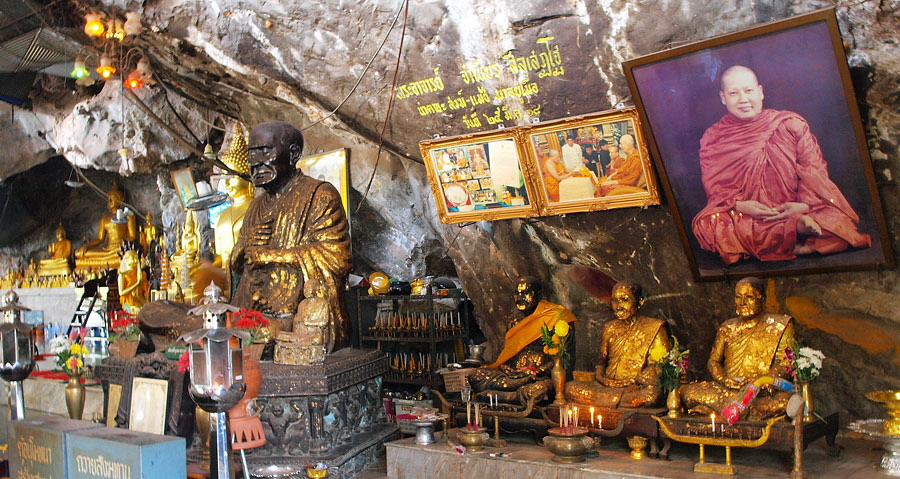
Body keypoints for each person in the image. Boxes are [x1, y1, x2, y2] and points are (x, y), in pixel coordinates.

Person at [691, 65, 871, 265]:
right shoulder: (714, 137)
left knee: (837, 218)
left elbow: (814, 171)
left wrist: (803, 205)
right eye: (734, 93)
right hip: (747, 216)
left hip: (797, 207)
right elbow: (715, 188)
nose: (743, 99)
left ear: (760, 92)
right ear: (723, 98)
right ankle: (797, 239)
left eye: (748, 91)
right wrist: (740, 206)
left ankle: (791, 229)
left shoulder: (791, 124)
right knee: (710, 224)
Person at [231, 121, 352, 352]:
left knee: (267, 336)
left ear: (293, 154)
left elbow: (337, 257)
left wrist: (272, 256)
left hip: (295, 314)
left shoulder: (319, 195)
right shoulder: (255, 206)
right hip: (251, 311)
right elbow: (238, 264)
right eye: (252, 153)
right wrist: (244, 248)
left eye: (265, 150)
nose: (256, 162)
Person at [680, 277, 794, 419]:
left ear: (762, 299)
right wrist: (723, 379)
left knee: (785, 401)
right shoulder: (727, 327)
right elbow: (713, 361)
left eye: (749, 297)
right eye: (738, 297)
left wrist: (762, 380)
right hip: (727, 389)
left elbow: (786, 363)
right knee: (688, 392)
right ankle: (741, 412)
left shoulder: (780, 325)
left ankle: (717, 411)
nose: (742, 303)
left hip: (758, 392)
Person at [468, 276, 577, 405]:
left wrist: (535, 371)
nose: (520, 298)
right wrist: (506, 368)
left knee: (537, 390)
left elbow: (564, 360)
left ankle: (499, 396)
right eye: (516, 293)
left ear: (539, 294)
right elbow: (508, 354)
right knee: (475, 375)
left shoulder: (556, 316)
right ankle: (514, 393)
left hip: (539, 378)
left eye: (525, 293)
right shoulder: (514, 320)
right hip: (513, 377)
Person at [565, 282, 671, 408]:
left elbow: (659, 367)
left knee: (650, 396)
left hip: (635, 388)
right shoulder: (609, 328)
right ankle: (617, 402)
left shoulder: (655, 327)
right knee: (569, 388)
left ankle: (608, 402)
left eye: (624, 300)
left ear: (640, 301)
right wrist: (603, 380)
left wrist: (633, 381)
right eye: (615, 301)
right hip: (606, 387)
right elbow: (601, 363)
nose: (618, 307)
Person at [215, 123, 254, 274]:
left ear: (248, 178)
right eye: (225, 177)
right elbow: (220, 258)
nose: (227, 183)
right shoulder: (220, 217)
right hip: (226, 280)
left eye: (232, 177)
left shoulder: (258, 211)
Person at [75, 184, 138, 271]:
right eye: (109, 199)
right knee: (80, 253)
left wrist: (122, 246)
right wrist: (86, 246)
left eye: (113, 198)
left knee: (126, 255)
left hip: (120, 249)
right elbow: (100, 239)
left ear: (121, 199)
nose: (110, 200)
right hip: (107, 249)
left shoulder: (128, 215)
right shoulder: (104, 218)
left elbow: (132, 236)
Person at [118, 249, 148, 314]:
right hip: (128, 303)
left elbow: (146, 291)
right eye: (133, 258)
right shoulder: (123, 276)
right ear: (126, 260)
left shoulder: (141, 274)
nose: (135, 261)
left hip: (141, 301)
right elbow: (121, 293)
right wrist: (137, 283)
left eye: (136, 258)